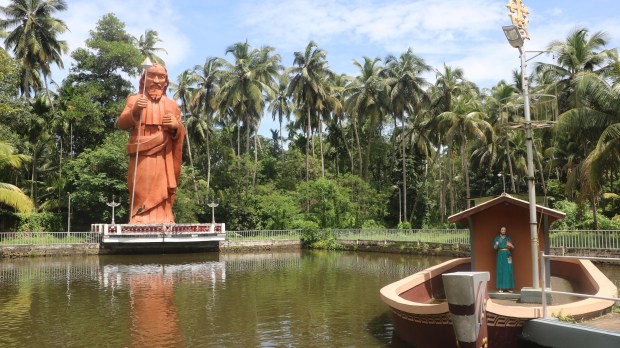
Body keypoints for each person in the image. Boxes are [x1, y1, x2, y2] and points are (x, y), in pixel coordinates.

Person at [117, 63, 186, 224]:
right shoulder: (134, 99)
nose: (156, 80)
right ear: (144, 79)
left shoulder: (172, 105)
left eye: (161, 76)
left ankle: (165, 217)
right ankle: (138, 216)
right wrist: (134, 111)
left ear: (166, 82)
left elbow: (180, 132)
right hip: (141, 153)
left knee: (163, 186)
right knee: (140, 185)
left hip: (164, 154)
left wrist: (176, 127)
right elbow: (121, 123)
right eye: (152, 75)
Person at [493, 226, 514, 292]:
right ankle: (500, 288)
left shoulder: (508, 238)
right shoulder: (497, 238)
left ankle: (508, 288)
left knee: (508, 270)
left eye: (504, 230)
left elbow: (513, 247)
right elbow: (494, 248)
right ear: (500, 231)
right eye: (502, 230)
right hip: (500, 254)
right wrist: (496, 244)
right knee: (500, 270)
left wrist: (511, 246)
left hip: (508, 254)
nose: (503, 231)